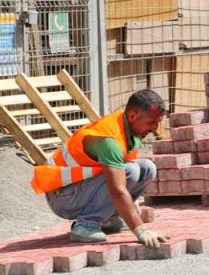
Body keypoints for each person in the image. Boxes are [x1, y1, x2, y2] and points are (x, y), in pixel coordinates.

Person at [30, 90, 168, 248]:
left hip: (79, 189)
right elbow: (117, 189)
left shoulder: (129, 130)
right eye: (152, 122)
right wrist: (140, 229)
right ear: (132, 116)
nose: (155, 129)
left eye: (158, 123)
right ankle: (86, 225)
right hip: (61, 196)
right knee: (130, 170)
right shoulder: (109, 139)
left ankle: (108, 219)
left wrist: (130, 207)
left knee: (146, 168)